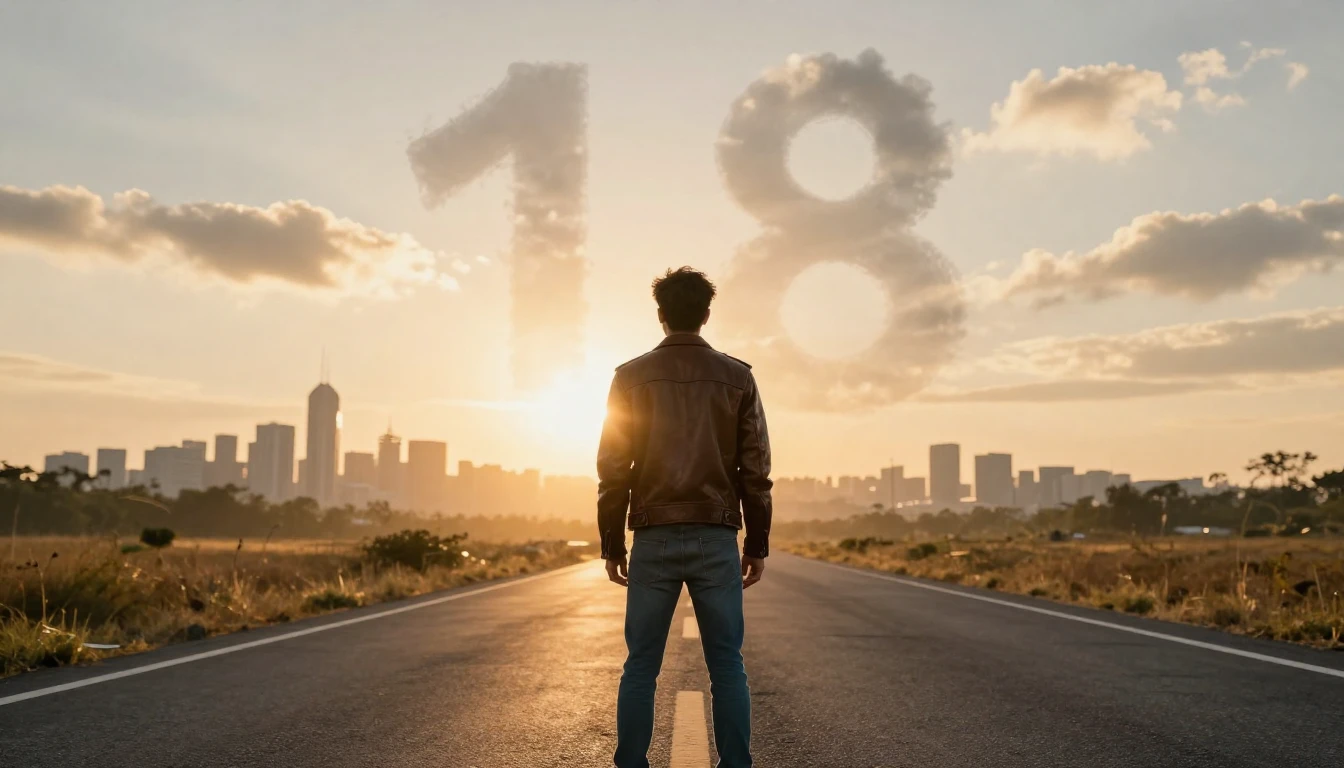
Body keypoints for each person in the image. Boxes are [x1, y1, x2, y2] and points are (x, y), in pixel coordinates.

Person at [597, 266, 773, 768]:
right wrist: (756, 545)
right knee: (727, 665)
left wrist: (612, 544)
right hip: (717, 536)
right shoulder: (738, 376)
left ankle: (631, 764)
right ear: (706, 313)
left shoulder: (629, 377)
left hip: (652, 537)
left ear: (660, 315)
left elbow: (612, 469)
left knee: (641, 667)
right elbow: (755, 469)